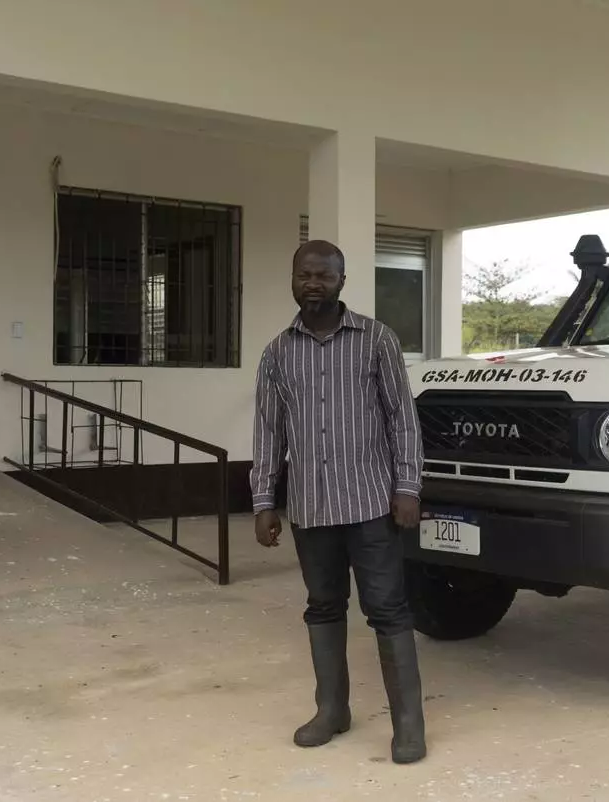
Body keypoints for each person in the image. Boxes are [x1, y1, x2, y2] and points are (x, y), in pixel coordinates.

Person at [249, 238, 426, 765]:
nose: (313, 283)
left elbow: (402, 418)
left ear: (342, 281)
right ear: (292, 280)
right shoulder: (277, 353)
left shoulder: (377, 340)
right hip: (311, 508)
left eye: (324, 275)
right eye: (304, 274)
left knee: (387, 609)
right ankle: (332, 710)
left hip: (371, 504)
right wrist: (264, 500)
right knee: (323, 606)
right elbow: (268, 431)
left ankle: (408, 726)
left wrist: (408, 487)